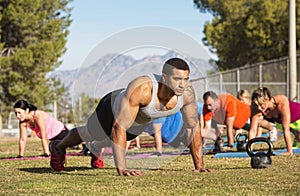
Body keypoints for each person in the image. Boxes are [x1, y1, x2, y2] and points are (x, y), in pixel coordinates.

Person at [49, 57, 211, 176]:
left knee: (121, 137)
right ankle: (58, 146)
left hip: (138, 120)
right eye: (177, 79)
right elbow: (118, 126)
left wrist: (199, 166)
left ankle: (96, 148)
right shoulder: (143, 89)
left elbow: (192, 128)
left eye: (186, 79)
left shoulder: (187, 93)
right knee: (91, 133)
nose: (182, 84)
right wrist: (123, 169)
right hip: (111, 108)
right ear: (164, 78)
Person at [249, 87, 300, 155]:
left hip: (298, 119)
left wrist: (289, 151)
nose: (259, 108)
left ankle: (296, 133)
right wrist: (250, 150)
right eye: (256, 105)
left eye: (261, 105)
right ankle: (296, 132)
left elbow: (286, 129)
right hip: (283, 123)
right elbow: (252, 130)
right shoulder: (256, 109)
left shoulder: (281, 102)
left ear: (268, 99)